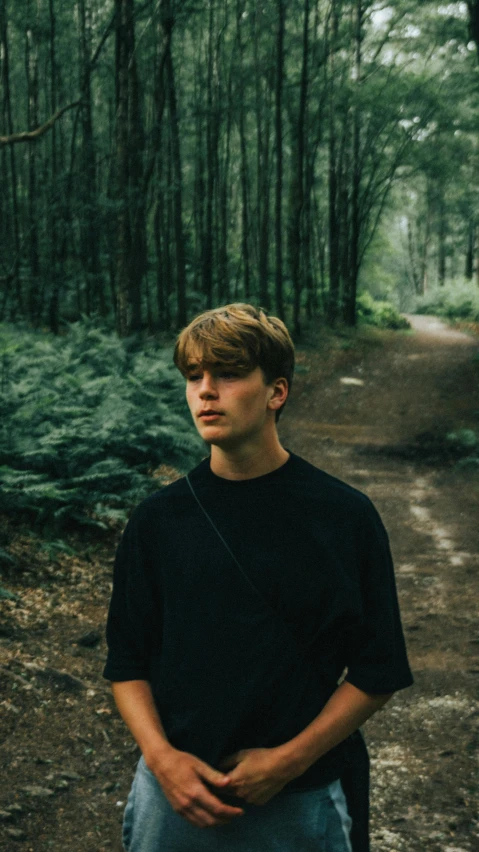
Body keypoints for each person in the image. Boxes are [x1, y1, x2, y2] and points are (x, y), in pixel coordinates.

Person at [103, 303, 413, 852]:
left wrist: (286, 763)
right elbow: (127, 662)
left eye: (227, 373)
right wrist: (162, 759)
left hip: (301, 803)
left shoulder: (343, 516)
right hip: (175, 804)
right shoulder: (158, 521)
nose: (205, 391)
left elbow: (378, 668)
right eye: (194, 376)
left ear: (277, 391)